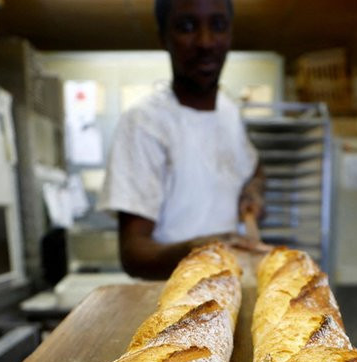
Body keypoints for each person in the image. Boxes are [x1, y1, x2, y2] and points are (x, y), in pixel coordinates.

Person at [98, 0, 265, 280]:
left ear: (230, 33)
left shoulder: (229, 112)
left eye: (218, 25)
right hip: (171, 299)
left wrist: (254, 191)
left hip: (230, 286)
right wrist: (197, 252)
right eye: (187, 26)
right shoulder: (144, 123)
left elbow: (255, 168)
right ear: (163, 37)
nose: (205, 42)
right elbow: (133, 253)